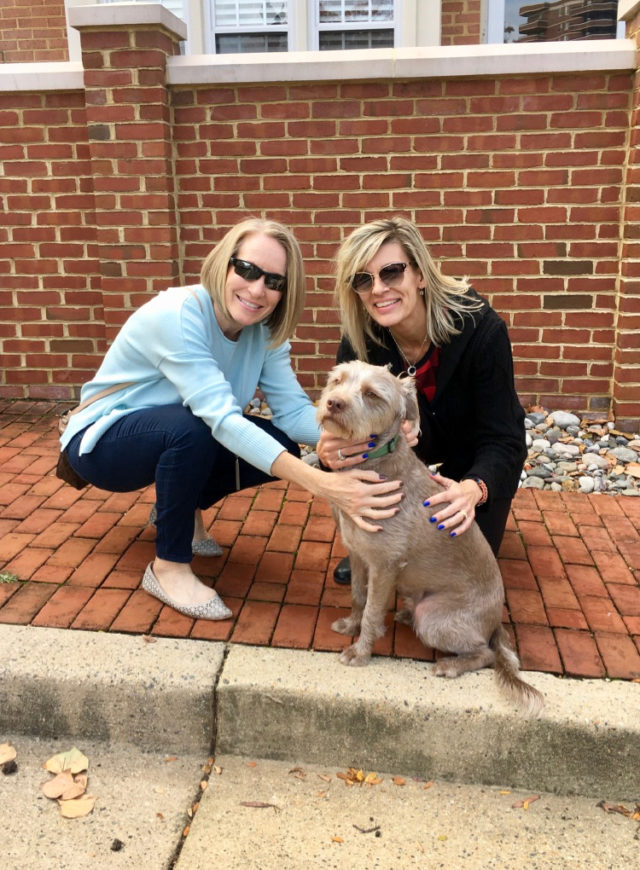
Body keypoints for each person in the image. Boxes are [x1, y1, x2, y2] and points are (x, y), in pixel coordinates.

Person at [60, 218, 403, 619]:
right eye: (247, 270)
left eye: (274, 281)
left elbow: (293, 413)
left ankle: (180, 505)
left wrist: (374, 434)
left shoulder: (265, 332)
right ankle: (168, 566)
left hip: (177, 434)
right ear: (224, 264)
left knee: (281, 443)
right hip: (102, 444)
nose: (257, 289)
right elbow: (222, 420)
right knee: (190, 431)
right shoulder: (178, 314)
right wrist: (323, 483)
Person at [316, 217, 526, 584]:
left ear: (420, 275)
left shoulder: (482, 331)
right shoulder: (360, 339)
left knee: (461, 567)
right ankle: (368, 547)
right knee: (338, 462)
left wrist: (474, 488)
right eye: (363, 280)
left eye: (392, 272)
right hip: (397, 457)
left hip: (469, 454)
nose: (378, 289)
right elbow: (342, 424)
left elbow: (504, 437)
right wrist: (330, 450)